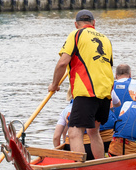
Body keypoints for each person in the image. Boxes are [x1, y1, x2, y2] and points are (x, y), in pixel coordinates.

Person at [49, 9, 114, 160]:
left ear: (76, 24)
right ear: (94, 23)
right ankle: (100, 164)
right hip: (105, 92)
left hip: (86, 91)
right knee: (93, 131)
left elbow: (62, 63)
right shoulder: (106, 39)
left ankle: (78, 167)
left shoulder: (76, 34)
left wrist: (54, 84)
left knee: (74, 133)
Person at [53, 91, 116, 159]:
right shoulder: (102, 104)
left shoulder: (66, 110)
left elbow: (56, 137)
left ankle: (80, 163)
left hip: (72, 146)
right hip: (103, 144)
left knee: (75, 133)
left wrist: (59, 153)